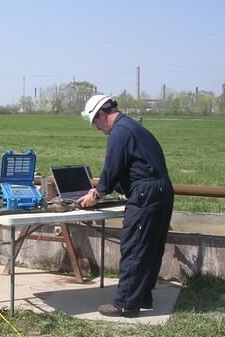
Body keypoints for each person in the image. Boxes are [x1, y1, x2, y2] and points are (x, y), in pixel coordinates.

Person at [77, 95, 174, 317]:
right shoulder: (134, 127)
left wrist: (97, 194)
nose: (98, 129)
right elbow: (130, 168)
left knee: (134, 247)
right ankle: (143, 296)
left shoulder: (119, 132)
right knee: (151, 247)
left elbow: (111, 170)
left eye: (95, 123)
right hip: (162, 190)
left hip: (145, 194)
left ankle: (125, 305)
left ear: (101, 115)